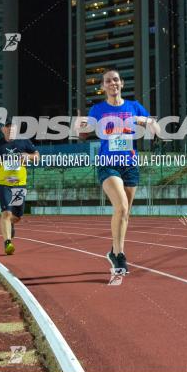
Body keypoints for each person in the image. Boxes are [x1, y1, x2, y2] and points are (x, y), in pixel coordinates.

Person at [77, 69, 156, 275]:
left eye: (115, 79)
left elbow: (155, 129)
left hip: (130, 164)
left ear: (121, 83)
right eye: (107, 81)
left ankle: (113, 250)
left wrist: (145, 122)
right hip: (107, 163)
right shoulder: (97, 109)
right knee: (120, 206)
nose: (112, 83)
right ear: (102, 87)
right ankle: (120, 256)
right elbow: (83, 136)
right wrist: (80, 127)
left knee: (125, 213)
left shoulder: (134, 106)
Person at [0, 121, 39, 255]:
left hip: (19, 183)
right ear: (3, 130)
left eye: (13, 130)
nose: (11, 133)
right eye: (8, 131)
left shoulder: (24, 142)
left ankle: (10, 224)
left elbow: (37, 156)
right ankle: (8, 242)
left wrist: (29, 156)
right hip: (3, 183)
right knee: (6, 213)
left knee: (17, 216)